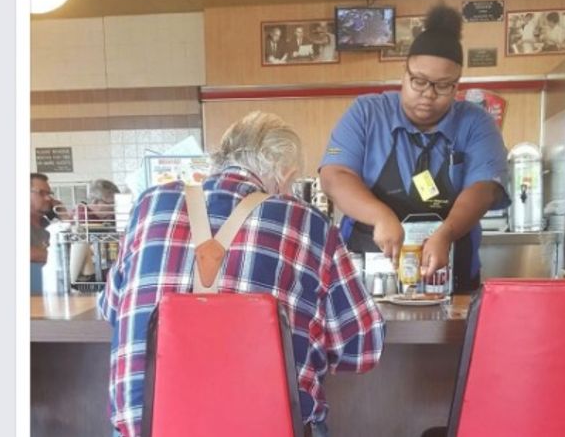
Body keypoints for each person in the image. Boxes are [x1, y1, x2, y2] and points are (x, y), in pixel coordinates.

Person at [100, 111, 385, 437]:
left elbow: (111, 309)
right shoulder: (308, 222)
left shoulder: (148, 206)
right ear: (285, 174)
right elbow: (362, 347)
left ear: (219, 161)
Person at [319, 4, 511, 294]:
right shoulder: (367, 113)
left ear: (457, 85)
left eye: (443, 86)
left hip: (449, 268)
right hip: (372, 272)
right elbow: (335, 175)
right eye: (419, 81)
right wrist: (380, 216)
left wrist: (445, 233)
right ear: (403, 73)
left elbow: (483, 188)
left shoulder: (476, 123)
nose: (428, 95)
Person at [30, 173, 68, 293]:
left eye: (49, 194)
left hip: (51, 290)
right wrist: (63, 257)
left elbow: (75, 246)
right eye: (41, 193)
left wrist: (64, 215)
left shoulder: (49, 225)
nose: (48, 198)